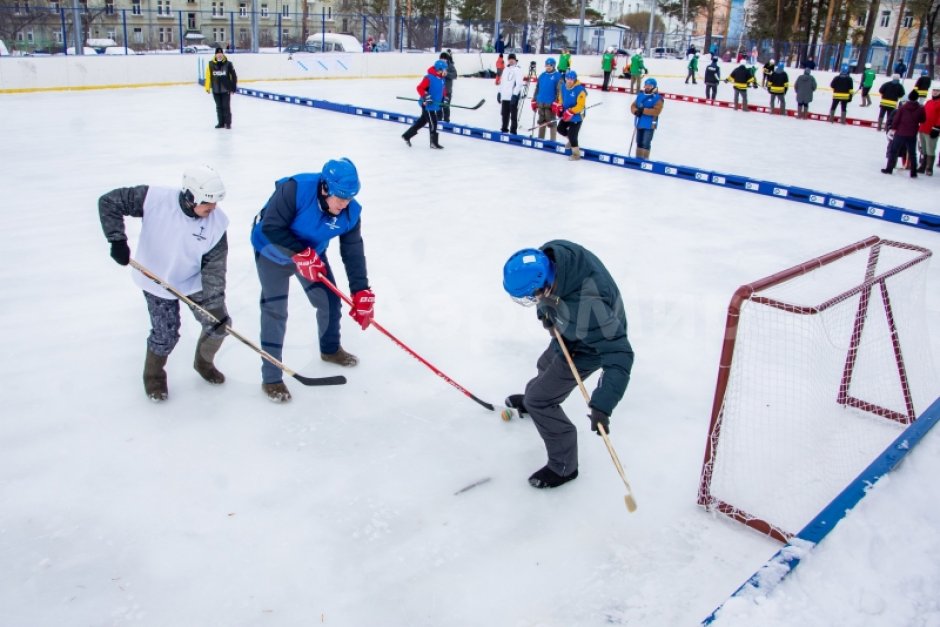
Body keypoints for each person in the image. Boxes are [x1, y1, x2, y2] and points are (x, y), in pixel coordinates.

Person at [501, 241, 634, 490]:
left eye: (532, 295)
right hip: (570, 327)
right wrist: (546, 314)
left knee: (541, 399)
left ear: (544, 284)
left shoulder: (591, 306)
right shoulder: (553, 257)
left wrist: (603, 404)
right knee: (544, 365)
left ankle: (563, 467)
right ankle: (533, 400)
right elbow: (547, 298)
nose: (533, 300)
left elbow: (620, 354)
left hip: (589, 347)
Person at [99, 165, 230, 401]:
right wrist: (116, 240)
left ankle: (203, 363)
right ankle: (154, 376)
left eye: (215, 203)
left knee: (219, 324)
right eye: (207, 203)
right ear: (190, 197)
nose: (213, 208)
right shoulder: (154, 199)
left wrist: (213, 303)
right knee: (165, 334)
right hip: (156, 279)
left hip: (193, 282)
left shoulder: (217, 224)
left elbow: (215, 268)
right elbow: (109, 202)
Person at [250, 158, 373, 403]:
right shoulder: (295, 189)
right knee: (275, 311)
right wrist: (298, 253)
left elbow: (352, 252)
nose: (344, 203)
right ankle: (272, 377)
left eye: (349, 197)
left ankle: (330, 349)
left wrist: (361, 291)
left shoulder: (351, 212)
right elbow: (270, 227)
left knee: (330, 301)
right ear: (324, 187)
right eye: (340, 197)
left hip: (312, 253)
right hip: (272, 251)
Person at [401, 59, 447, 149]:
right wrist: (426, 96)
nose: (446, 71)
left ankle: (406, 136)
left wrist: (444, 99)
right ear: (439, 69)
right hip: (428, 105)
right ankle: (433, 143)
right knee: (433, 123)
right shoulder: (429, 78)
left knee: (422, 122)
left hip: (435, 105)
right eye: (444, 69)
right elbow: (420, 88)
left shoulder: (442, 79)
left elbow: (443, 90)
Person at [882, 91, 925, 176]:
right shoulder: (920, 108)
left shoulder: (903, 108)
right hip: (912, 133)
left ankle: (889, 169)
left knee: (894, 151)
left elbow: (896, 120)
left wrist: (893, 128)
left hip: (900, 133)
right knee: (912, 153)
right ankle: (913, 172)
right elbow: (923, 119)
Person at [555, 70, 587, 160]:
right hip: (566, 114)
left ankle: (576, 154)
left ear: (575, 79)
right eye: (567, 79)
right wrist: (560, 106)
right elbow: (561, 98)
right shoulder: (563, 87)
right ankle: (571, 140)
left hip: (577, 115)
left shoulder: (580, 90)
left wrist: (571, 111)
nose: (569, 81)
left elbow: (580, 106)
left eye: (571, 79)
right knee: (560, 129)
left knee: (573, 135)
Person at [630, 77, 664, 159]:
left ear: (654, 86)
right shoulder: (640, 95)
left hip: (650, 124)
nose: (647, 87)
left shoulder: (658, 98)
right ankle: (638, 159)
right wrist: (635, 111)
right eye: (646, 85)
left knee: (646, 142)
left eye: (650, 85)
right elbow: (633, 106)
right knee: (639, 142)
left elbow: (657, 111)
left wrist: (643, 110)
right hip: (640, 122)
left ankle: (645, 160)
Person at [205, 46, 237, 129]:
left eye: (220, 53)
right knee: (219, 107)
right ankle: (221, 123)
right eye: (217, 53)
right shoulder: (210, 64)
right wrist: (207, 87)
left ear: (223, 54)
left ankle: (228, 123)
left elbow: (233, 76)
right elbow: (208, 76)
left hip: (225, 89)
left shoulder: (228, 64)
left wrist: (233, 87)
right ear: (215, 55)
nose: (219, 55)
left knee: (226, 106)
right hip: (215, 90)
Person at [531, 56, 562, 141]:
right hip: (540, 103)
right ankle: (540, 139)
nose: (548, 67)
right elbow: (537, 88)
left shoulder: (558, 76)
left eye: (550, 65)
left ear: (554, 66)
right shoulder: (542, 75)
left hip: (550, 104)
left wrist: (557, 102)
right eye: (547, 65)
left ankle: (553, 141)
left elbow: (560, 91)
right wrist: (534, 100)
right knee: (541, 122)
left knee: (551, 122)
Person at [497, 52, 524, 134]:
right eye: (510, 59)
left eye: (512, 59)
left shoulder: (517, 70)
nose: (511, 61)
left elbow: (519, 84)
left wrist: (515, 95)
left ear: (515, 60)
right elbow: (502, 82)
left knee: (513, 115)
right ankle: (504, 128)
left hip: (512, 96)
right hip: (505, 96)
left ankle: (513, 131)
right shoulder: (505, 69)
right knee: (504, 114)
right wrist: (499, 93)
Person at [917, 87, 940, 175]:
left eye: (937, 91)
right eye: (934, 90)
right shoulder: (929, 102)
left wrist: (937, 127)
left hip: (932, 130)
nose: (935, 92)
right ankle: (923, 166)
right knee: (924, 149)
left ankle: (929, 168)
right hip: (923, 128)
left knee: (930, 149)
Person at [440, 51, 457, 122]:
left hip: (447, 91)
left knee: (446, 106)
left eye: (444, 58)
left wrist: (447, 74)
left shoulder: (450, 66)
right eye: (441, 58)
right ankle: (438, 119)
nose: (443, 60)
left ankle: (446, 120)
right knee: (438, 105)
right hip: (439, 90)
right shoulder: (438, 65)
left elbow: (455, 75)